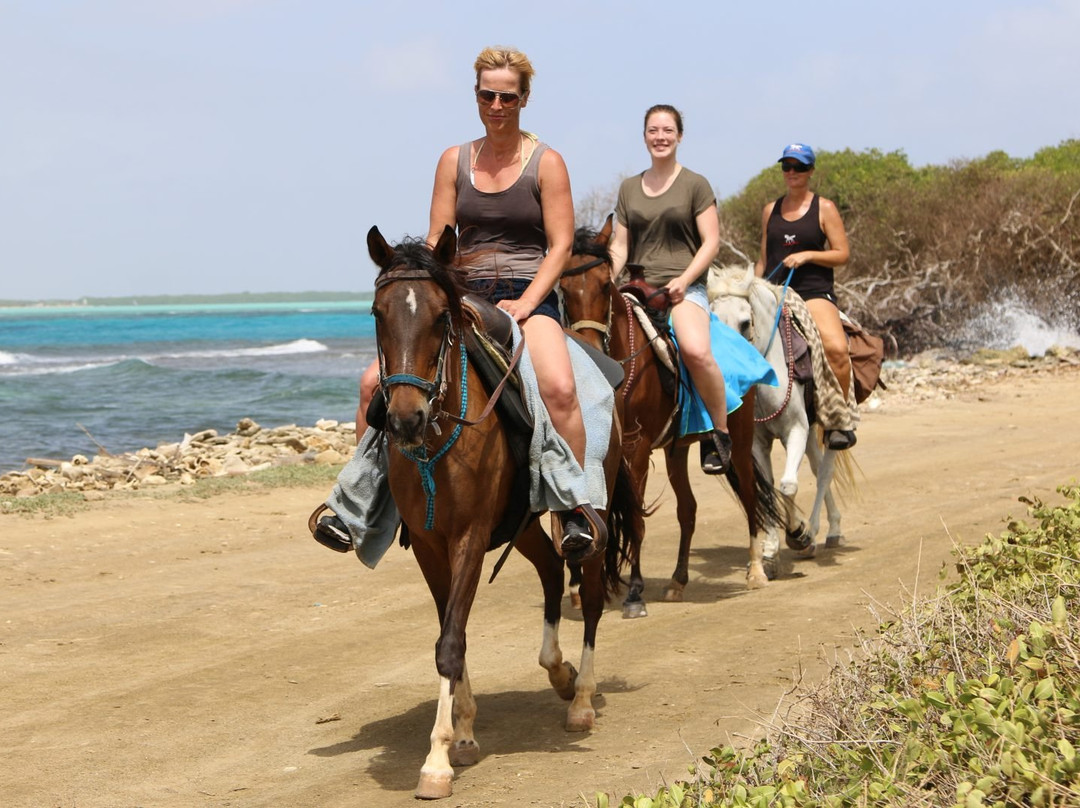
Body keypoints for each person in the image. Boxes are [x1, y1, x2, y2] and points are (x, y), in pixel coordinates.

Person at [319, 46, 597, 557]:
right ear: (476, 96)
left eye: (507, 97)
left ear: (525, 99)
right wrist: (415, 281)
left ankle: (574, 510)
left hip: (526, 295)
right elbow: (437, 239)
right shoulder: (454, 159)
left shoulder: (547, 163)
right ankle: (360, 503)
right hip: (462, 295)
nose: (497, 105)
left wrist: (530, 301)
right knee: (370, 384)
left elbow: (560, 245)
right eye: (488, 95)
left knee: (557, 387)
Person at [607, 104, 732, 474]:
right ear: (644, 136)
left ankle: (718, 434)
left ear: (679, 136)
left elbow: (711, 242)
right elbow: (620, 245)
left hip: (683, 288)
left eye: (667, 130)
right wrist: (607, 276)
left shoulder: (695, 184)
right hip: (637, 288)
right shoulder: (629, 188)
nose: (660, 137)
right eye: (652, 130)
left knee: (694, 350)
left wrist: (685, 279)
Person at [755, 143, 856, 450]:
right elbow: (763, 257)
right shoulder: (770, 210)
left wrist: (808, 255)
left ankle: (840, 421)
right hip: (773, 290)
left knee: (835, 347)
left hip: (812, 290)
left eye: (799, 167)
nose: (792, 173)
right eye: (787, 167)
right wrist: (754, 288)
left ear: (810, 171)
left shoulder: (823, 208)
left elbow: (842, 254)